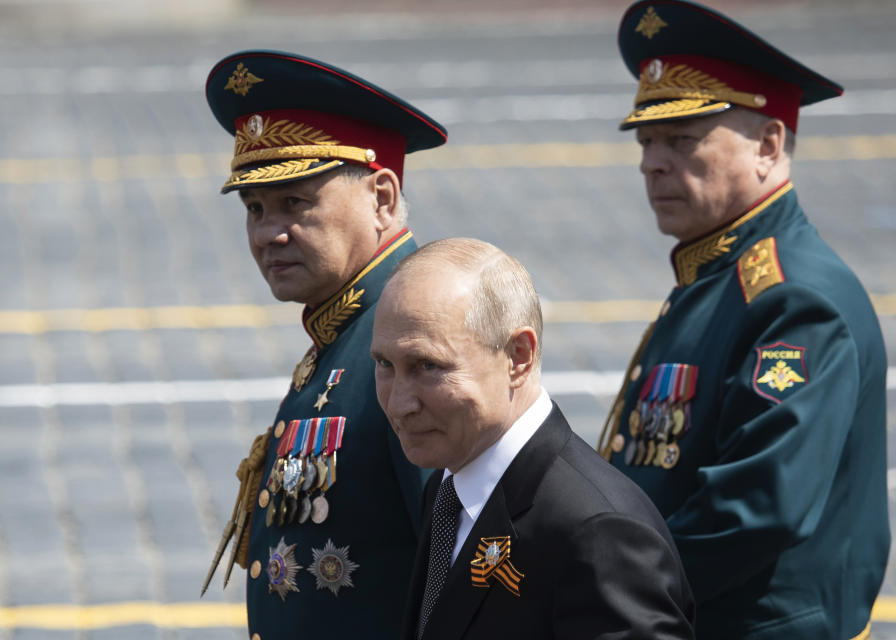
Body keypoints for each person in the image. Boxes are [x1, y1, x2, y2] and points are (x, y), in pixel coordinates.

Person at [596, 2, 890, 638]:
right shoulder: (718, 276)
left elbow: (755, 509)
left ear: (769, 145)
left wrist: (606, 585)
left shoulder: (794, 301)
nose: (652, 162)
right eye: (647, 141)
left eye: (683, 138)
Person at [199, 50, 447, 640]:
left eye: (296, 203)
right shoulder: (347, 328)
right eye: (255, 208)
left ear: (382, 199)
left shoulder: (414, 334)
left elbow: (461, 571)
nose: (267, 233)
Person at [371, 237, 695, 640]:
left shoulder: (598, 533)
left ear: (518, 357)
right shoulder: (448, 489)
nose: (400, 404)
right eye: (385, 364)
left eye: (428, 366)